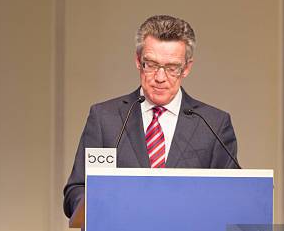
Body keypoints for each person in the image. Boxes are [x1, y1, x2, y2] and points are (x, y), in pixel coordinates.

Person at [63, 15, 239, 218]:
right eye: (152, 65)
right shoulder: (105, 119)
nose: (160, 77)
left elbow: (230, 196)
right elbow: (76, 190)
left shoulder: (213, 125)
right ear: (138, 61)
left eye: (172, 68)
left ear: (187, 68)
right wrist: (94, 203)